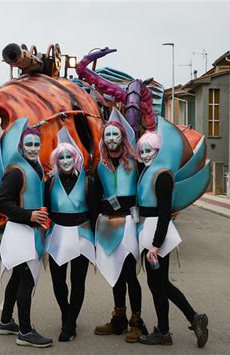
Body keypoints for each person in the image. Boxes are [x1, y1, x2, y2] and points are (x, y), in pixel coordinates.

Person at [136, 130, 208, 347]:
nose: (146, 154)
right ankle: (193, 319)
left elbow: (164, 213)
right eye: (143, 151)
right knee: (160, 283)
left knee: (158, 284)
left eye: (150, 150)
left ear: (158, 151)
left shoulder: (162, 176)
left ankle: (166, 331)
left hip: (157, 236)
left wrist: (156, 245)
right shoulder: (148, 172)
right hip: (149, 233)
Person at [0, 124, 53, 348]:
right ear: (21, 147)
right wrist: (28, 215)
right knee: (26, 280)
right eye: (28, 144)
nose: (33, 148)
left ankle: (5, 321)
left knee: (18, 278)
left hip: (31, 233)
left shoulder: (36, 167)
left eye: (36, 144)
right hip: (20, 233)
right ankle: (25, 332)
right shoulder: (16, 171)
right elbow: (1, 202)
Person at [93, 109, 147, 343]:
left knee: (129, 274)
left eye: (116, 134)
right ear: (103, 139)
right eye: (108, 135)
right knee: (115, 273)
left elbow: (150, 190)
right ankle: (119, 318)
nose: (112, 138)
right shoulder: (100, 166)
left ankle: (136, 322)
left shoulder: (136, 164)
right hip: (107, 225)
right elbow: (94, 200)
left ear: (123, 137)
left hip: (129, 225)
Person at [44, 134, 96, 342]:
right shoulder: (49, 182)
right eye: (61, 157)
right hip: (57, 234)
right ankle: (66, 314)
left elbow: (94, 212)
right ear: (56, 160)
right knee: (58, 281)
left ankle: (70, 323)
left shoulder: (89, 181)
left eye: (69, 157)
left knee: (77, 281)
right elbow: (44, 208)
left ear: (76, 158)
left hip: (82, 234)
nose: (65, 161)